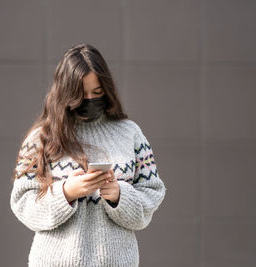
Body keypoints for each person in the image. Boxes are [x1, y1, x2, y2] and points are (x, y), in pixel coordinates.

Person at [10, 43, 167, 267]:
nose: (90, 99)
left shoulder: (130, 134)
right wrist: (66, 193)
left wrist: (119, 195)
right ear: (66, 92)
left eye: (97, 92)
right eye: (81, 94)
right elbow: (22, 203)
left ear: (107, 89)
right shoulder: (40, 139)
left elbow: (152, 194)